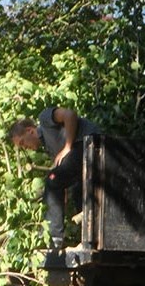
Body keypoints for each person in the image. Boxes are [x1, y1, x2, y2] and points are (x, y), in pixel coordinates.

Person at [8, 106, 99, 250]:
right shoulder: (49, 146)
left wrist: (67, 147)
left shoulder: (45, 119)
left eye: (22, 142)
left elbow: (70, 114)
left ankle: (53, 237)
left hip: (90, 144)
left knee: (52, 179)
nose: (25, 147)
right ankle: (90, 240)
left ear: (30, 131)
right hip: (82, 156)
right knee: (77, 192)